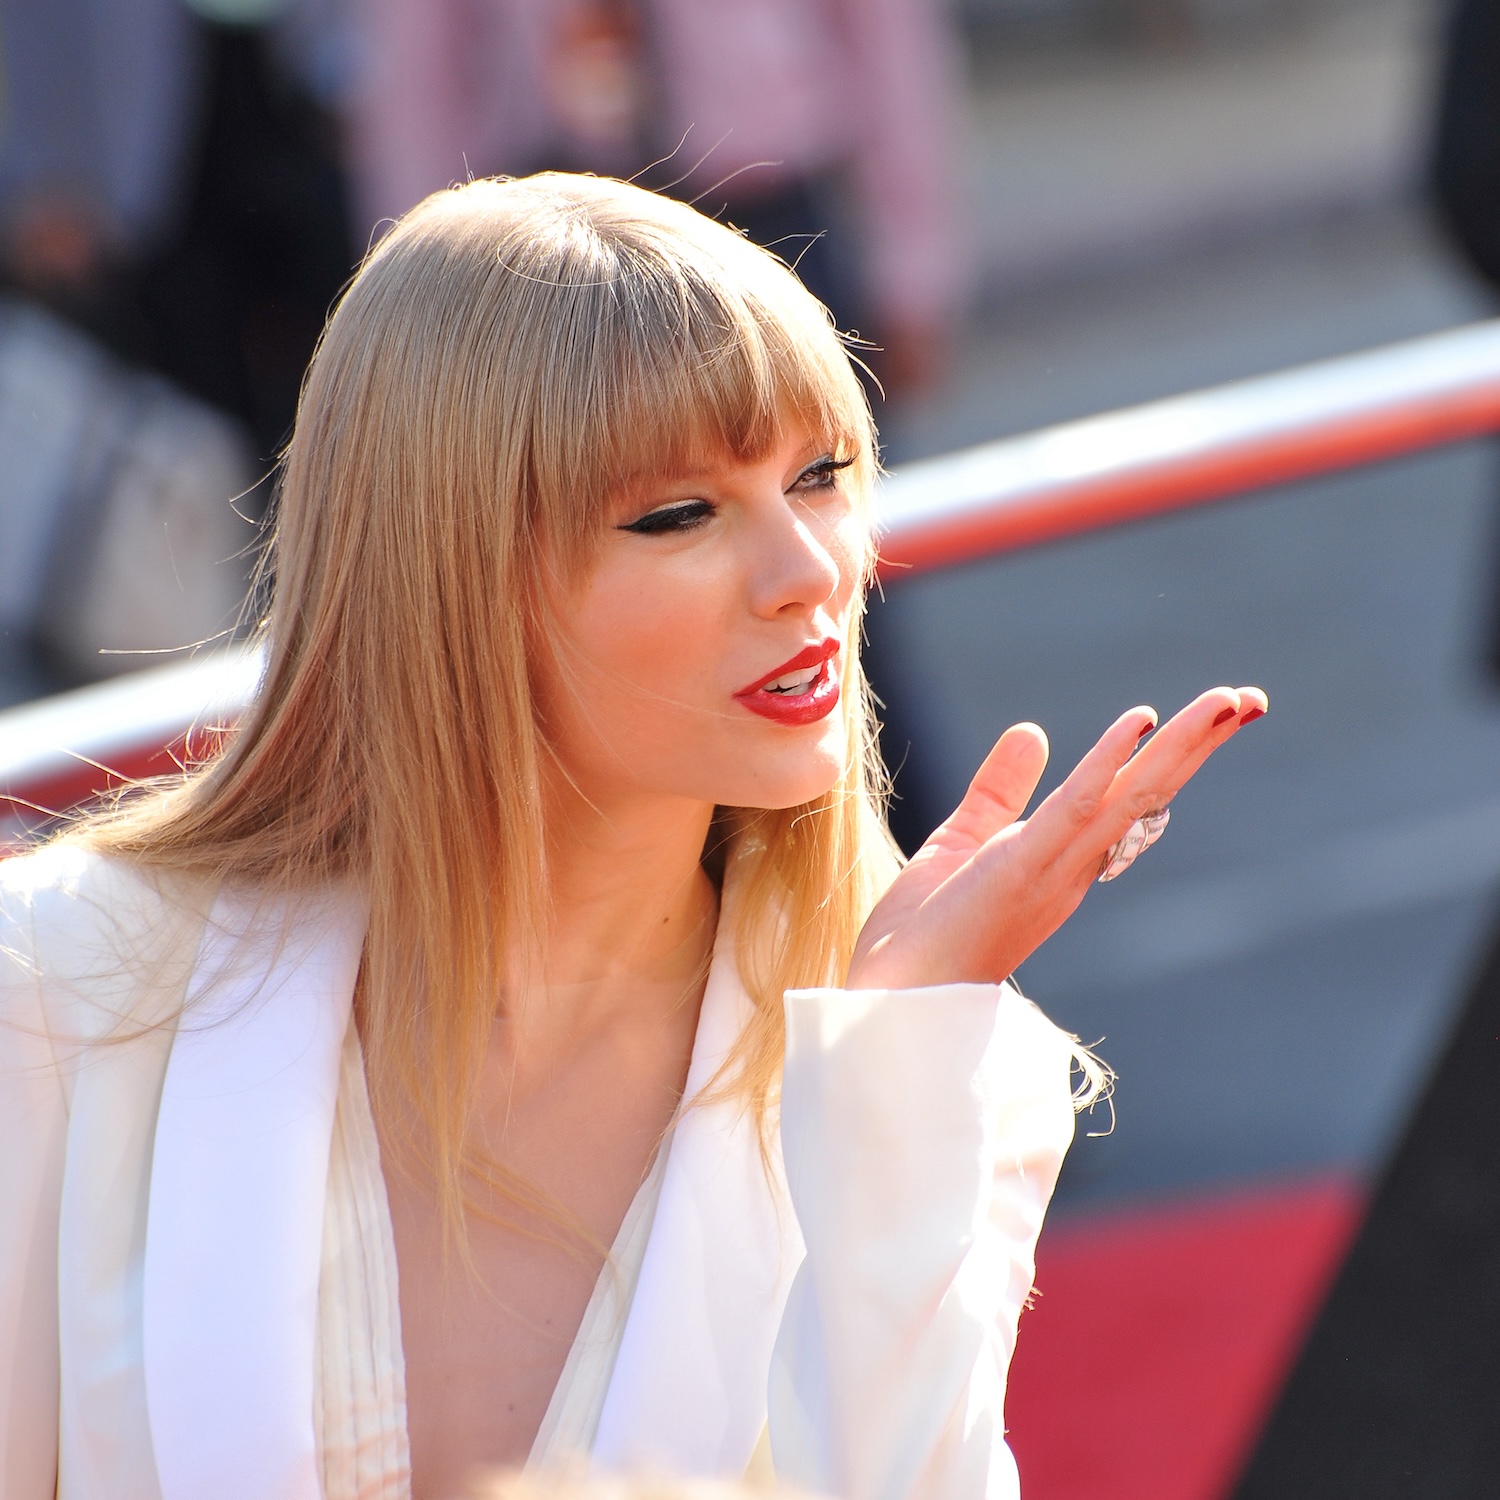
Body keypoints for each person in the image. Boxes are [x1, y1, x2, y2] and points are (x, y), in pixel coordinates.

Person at [0, 174, 1266, 1500]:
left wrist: (906, 1048)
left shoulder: (923, 1067)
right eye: (681, 514)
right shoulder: (68, 986)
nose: (811, 571)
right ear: (450, 569)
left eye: (822, 476)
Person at [344, 0, 967, 397]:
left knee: (815, 535)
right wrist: (411, 304)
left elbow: (887, 40)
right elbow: (417, 80)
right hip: (560, 234)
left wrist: (912, 265)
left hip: (764, 218)